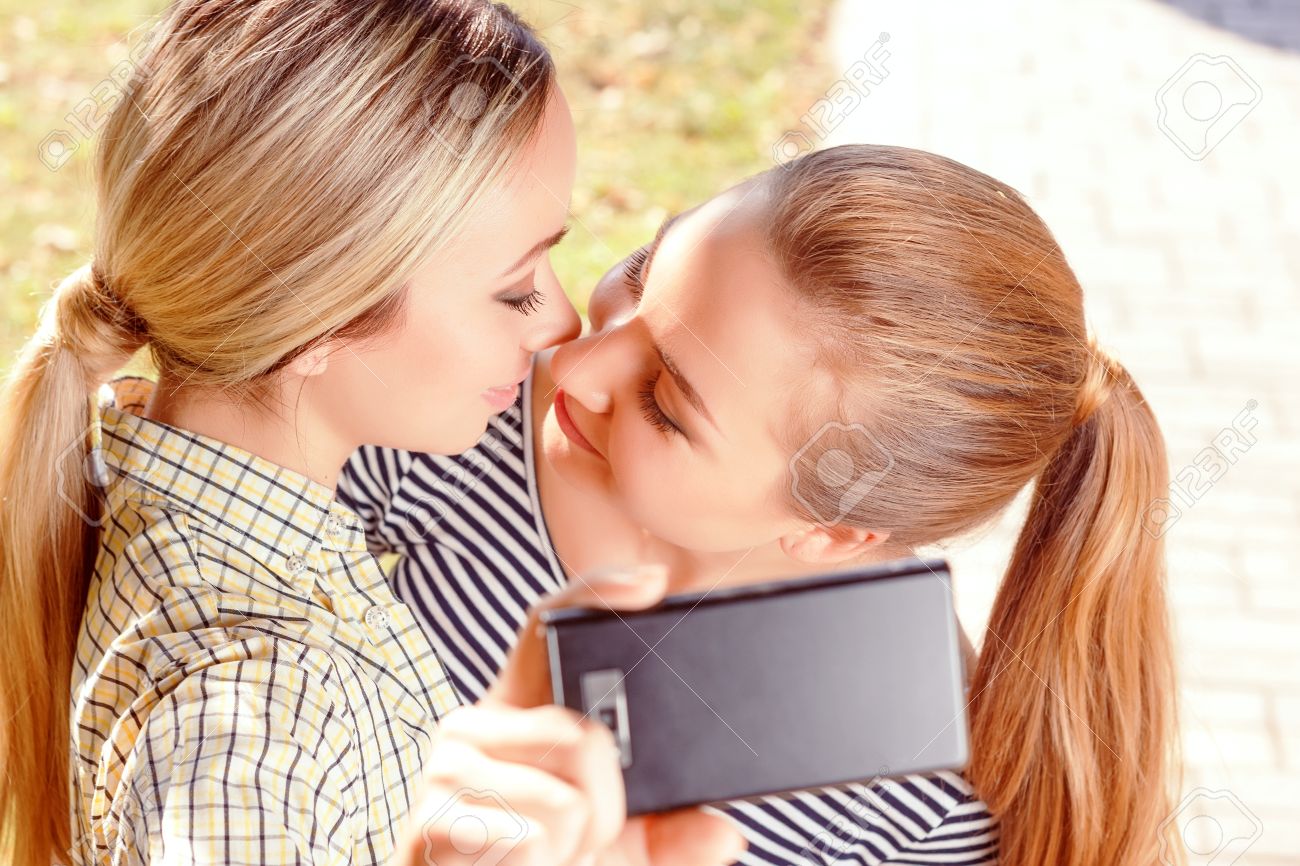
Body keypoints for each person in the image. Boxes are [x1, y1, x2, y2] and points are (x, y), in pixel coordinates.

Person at [0, 2, 742, 865]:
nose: (560, 323)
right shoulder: (251, 712)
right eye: (513, 289)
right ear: (317, 325)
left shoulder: (196, 490)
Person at [335, 144, 1180, 866]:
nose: (578, 364)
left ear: (836, 530)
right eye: (640, 271)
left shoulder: (906, 809)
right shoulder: (467, 420)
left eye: (666, 403)